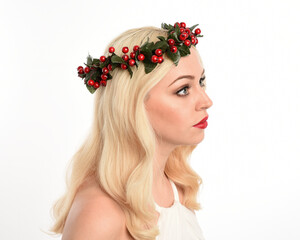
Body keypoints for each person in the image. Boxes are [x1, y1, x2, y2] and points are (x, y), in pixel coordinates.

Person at [48, 21, 213, 240]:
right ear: (133, 105)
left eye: (201, 81)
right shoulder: (100, 212)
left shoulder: (177, 189)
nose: (206, 101)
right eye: (183, 90)